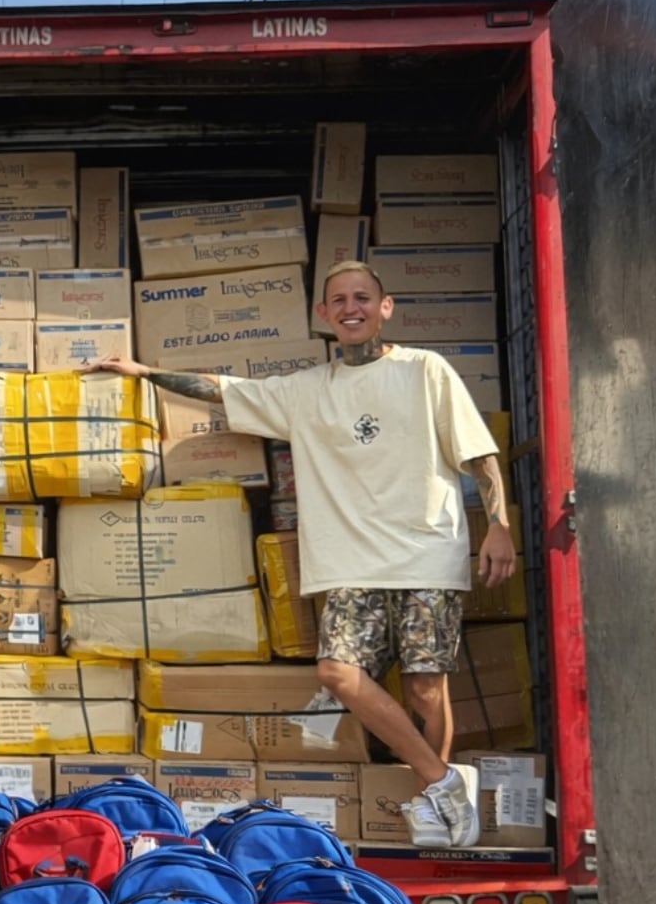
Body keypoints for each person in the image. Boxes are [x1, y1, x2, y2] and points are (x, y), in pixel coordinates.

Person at [85, 258, 515, 849]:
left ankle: (431, 802)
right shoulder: (305, 390)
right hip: (348, 562)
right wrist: (142, 372)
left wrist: (500, 525)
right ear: (323, 315)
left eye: (362, 297)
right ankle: (443, 781)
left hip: (427, 551)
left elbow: (478, 453)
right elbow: (221, 389)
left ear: (385, 307)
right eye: (339, 300)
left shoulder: (425, 370)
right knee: (337, 673)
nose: (351, 308)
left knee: (424, 687)